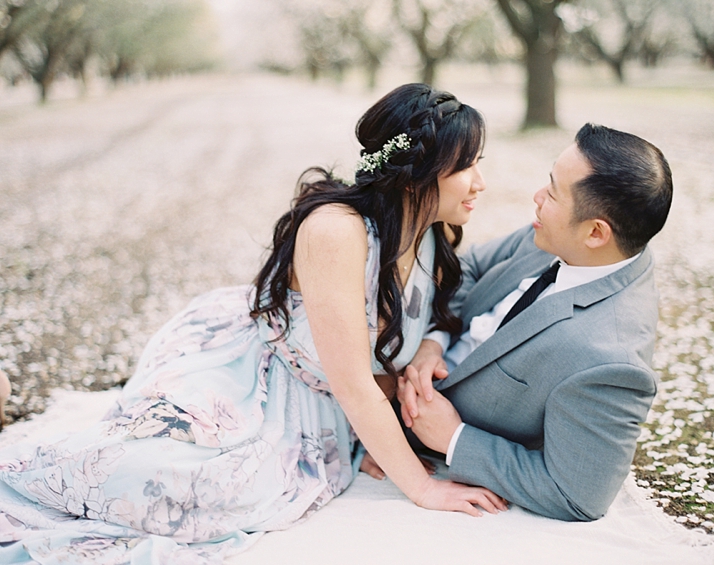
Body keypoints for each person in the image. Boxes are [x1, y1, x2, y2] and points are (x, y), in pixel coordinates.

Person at [0, 83, 504, 564]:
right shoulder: (337, 231)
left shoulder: (434, 238)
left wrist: (426, 351)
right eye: (466, 166)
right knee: (186, 485)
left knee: (228, 491)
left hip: (327, 406)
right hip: (254, 373)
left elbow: (434, 320)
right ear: (417, 173)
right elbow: (353, 382)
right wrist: (421, 486)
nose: (481, 181)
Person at [398, 123, 673, 522]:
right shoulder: (561, 235)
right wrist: (434, 340)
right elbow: (470, 267)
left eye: (553, 192)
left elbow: (578, 494)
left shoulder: (610, 361)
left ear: (596, 232)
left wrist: (454, 439)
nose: (538, 197)